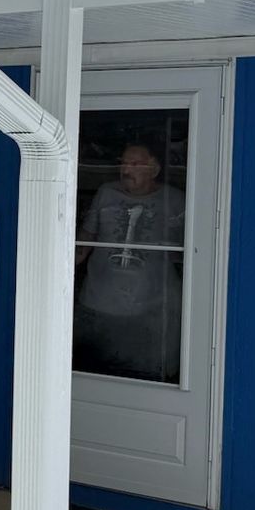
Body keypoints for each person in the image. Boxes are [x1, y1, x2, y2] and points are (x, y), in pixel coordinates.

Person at [74, 140, 185, 382]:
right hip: (99, 303)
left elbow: (187, 252)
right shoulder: (106, 193)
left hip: (149, 309)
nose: (126, 170)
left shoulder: (175, 201)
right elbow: (87, 237)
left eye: (134, 164)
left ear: (154, 169)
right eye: (123, 163)